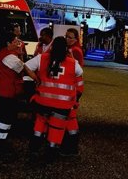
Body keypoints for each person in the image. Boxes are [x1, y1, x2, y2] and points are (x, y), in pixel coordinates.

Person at [24, 36, 83, 163]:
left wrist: (36, 78)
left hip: (42, 102)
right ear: (66, 48)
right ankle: (50, 153)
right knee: (56, 129)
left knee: (40, 123)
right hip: (62, 106)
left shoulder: (42, 58)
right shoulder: (73, 64)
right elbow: (79, 73)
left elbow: (27, 66)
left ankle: (34, 148)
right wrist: (71, 57)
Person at [0, 31, 25, 153]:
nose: (18, 43)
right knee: (5, 118)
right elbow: (22, 67)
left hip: (1, 90)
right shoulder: (9, 56)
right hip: (8, 91)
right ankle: (0, 144)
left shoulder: (2, 53)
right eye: (15, 41)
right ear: (8, 43)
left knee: (0, 116)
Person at [60, 27, 84, 156]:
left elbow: (78, 70)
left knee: (70, 117)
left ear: (75, 39)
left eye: (70, 37)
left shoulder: (75, 51)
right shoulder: (68, 49)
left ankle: (70, 147)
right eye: (66, 36)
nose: (67, 39)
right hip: (69, 88)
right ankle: (68, 146)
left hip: (73, 88)